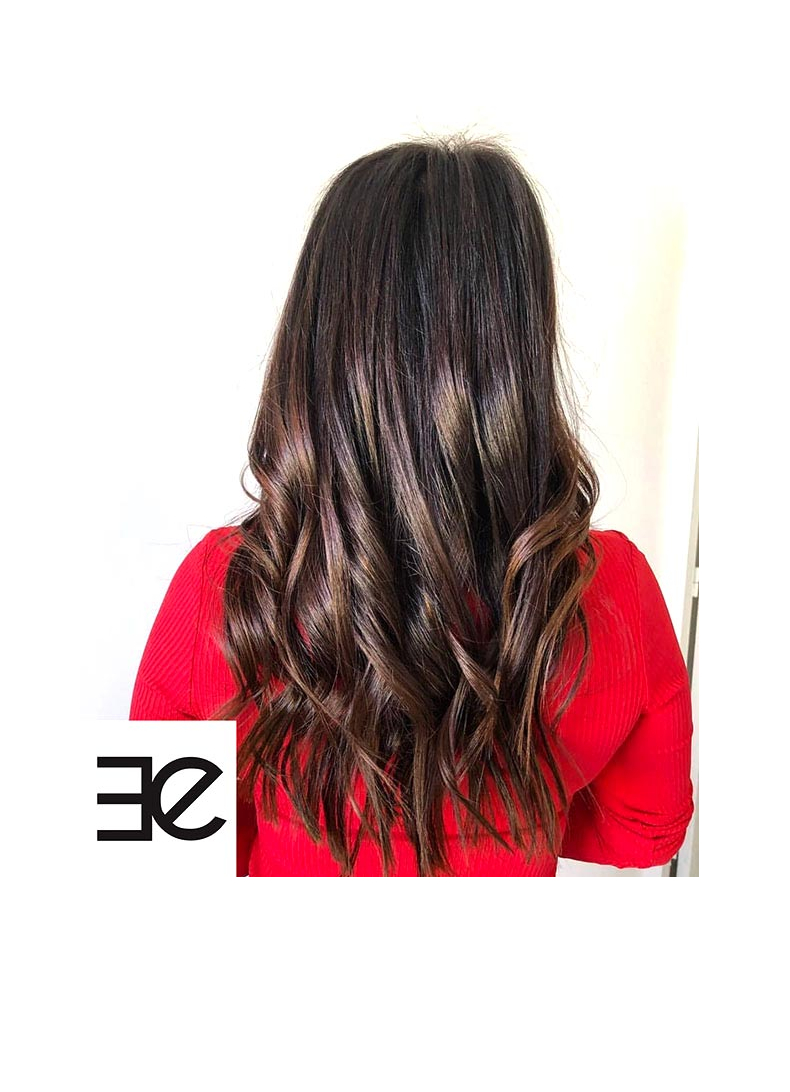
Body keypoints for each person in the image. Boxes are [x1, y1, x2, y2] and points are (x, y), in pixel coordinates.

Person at [130, 135, 694, 877]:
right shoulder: (610, 591)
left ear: (315, 341)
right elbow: (649, 830)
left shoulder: (225, 590)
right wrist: (518, 811)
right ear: (520, 349)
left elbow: (150, 851)